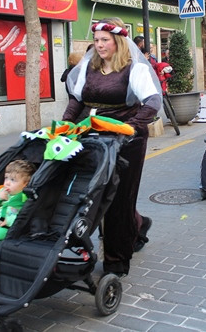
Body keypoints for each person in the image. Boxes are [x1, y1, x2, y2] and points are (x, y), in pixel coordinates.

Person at [63, 17, 162, 276]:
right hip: (93, 135)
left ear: (117, 41)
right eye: (96, 40)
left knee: (119, 199)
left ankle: (116, 262)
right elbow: (76, 100)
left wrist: (131, 126)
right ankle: (138, 225)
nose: (99, 45)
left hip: (127, 138)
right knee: (92, 194)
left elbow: (152, 101)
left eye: (104, 40)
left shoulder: (133, 68)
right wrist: (64, 127)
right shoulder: (90, 67)